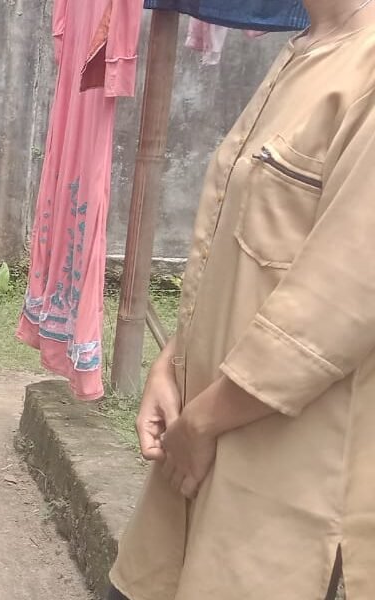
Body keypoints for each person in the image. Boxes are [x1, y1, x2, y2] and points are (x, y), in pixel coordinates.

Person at [109, 1, 375, 598]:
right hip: (197, 437)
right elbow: (238, 254)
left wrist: (203, 422)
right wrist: (171, 362)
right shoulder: (306, 51)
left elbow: (340, 304)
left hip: (286, 474)